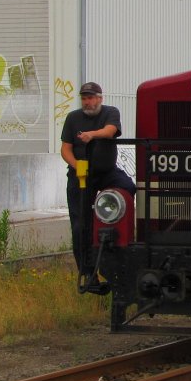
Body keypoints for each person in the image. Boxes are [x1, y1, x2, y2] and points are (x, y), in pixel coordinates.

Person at [60, 82, 134, 282]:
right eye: (84, 98)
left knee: (129, 187)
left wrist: (92, 135)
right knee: (79, 225)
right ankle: (86, 271)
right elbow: (65, 148)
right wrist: (76, 165)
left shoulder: (110, 113)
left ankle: (115, 223)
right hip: (81, 175)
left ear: (100, 98)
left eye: (91, 98)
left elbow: (110, 131)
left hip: (106, 171)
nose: (88, 102)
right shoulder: (73, 118)